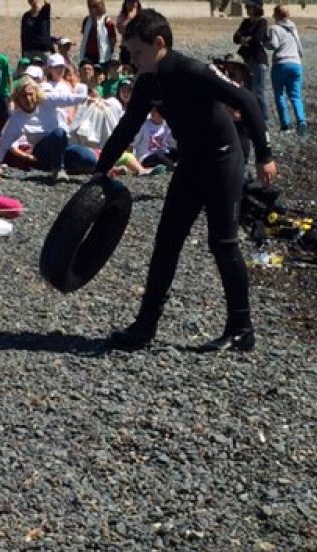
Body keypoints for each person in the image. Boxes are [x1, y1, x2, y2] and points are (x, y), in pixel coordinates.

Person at [96, 9, 276, 352]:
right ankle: (145, 327)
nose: (132, 61)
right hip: (192, 162)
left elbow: (247, 100)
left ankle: (241, 328)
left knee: (223, 244)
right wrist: (100, 168)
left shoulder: (191, 70)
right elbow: (127, 127)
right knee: (166, 244)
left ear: (159, 44)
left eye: (137, 53)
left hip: (223, 159)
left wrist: (265, 155)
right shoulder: (149, 83)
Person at [0, 75, 96, 182]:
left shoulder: (46, 100)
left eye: (30, 94)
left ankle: (64, 166)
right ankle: (57, 169)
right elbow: (4, 143)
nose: (28, 99)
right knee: (58, 133)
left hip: (62, 145)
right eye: (23, 96)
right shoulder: (17, 118)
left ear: (36, 93)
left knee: (90, 159)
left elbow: (67, 98)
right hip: (41, 151)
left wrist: (86, 98)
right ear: (18, 98)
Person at [266, 4, 305, 132]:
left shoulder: (274, 28)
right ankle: (301, 120)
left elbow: (274, 45)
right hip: (296, 63)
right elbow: (299, 46)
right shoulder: (293, 27)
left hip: (281, 63)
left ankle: (285, 125)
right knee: (296, 96)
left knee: (280, 95)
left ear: (277, 15)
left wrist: (265, 43)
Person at [232, 0, 269, 122]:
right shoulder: (246, 22)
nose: (247, 9)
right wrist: (247, 39)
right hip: (245, 60)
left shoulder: (262, 22)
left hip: (258, 61)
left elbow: (257, 39)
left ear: (257, 7)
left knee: (259, 92)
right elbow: (235, 38)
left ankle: (263, 119)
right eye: (246, 6)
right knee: (245, 89)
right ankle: (249, 116)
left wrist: (245, 39)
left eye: (249, 6)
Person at [78, 0, 116, 66]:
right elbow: (84, 37)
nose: (92, 9)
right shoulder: (87, 20)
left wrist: (111, 51)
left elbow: (112, 39)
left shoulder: (107, 22)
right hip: (88, 54)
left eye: (95, 6)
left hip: (102, 55)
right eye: (90, 6)